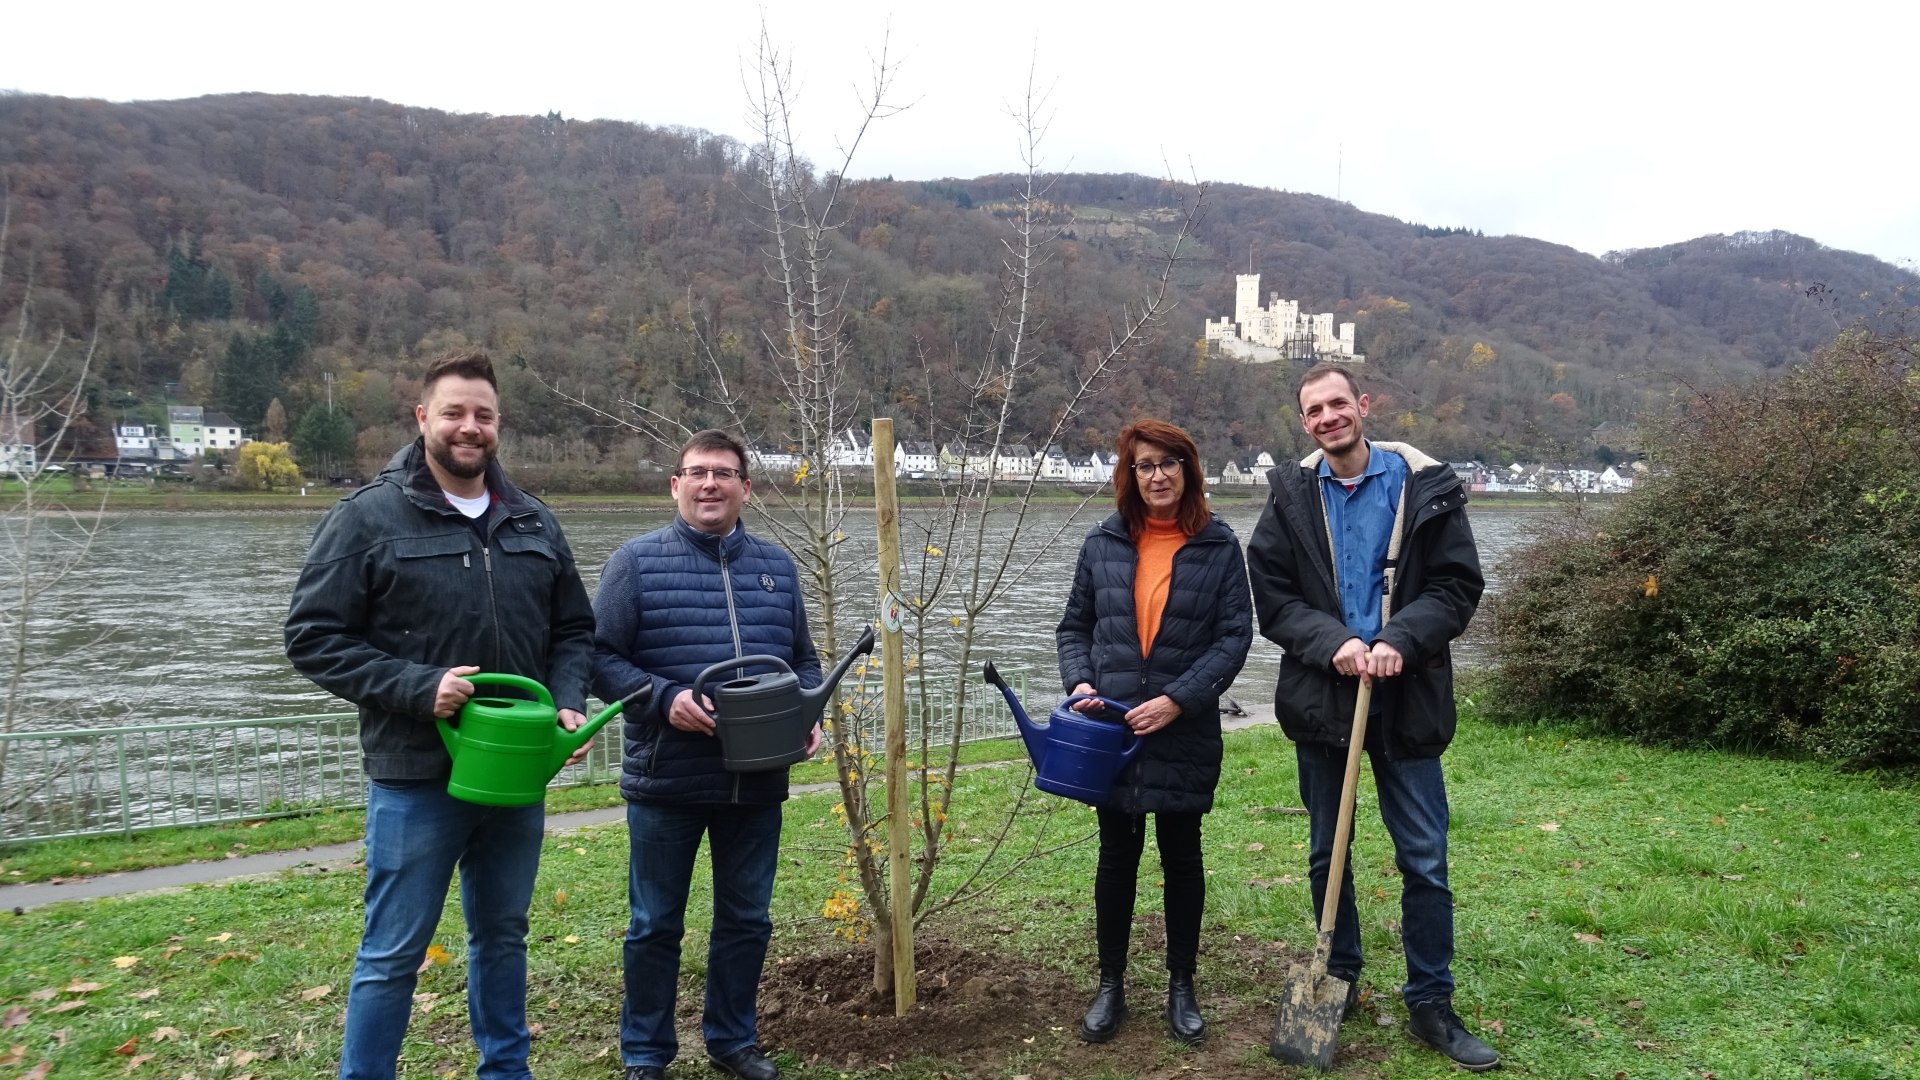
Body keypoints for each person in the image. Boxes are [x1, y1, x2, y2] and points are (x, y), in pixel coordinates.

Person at [285, 350, 597, 1080]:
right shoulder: (365, 518)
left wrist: (567, 700)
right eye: (454, 412)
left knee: (503, 936)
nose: (469, 427)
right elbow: (313, 637)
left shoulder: (533, 519)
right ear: (423, 417)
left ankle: (506, 1072)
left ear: (498, 424)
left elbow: (574, 631)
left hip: (513, 777)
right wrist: (416, 686)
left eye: (483, 415)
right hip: (414, 776)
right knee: (393, 952)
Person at [1245, 362, 1498, 1071]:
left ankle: (1431, 1003)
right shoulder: (1291, 496)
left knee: (1424, 858)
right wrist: (1337, 643)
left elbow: (1456, 586)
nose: (1328, 418)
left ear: (1363, 405)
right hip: (1324, 700)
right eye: (1314, 411)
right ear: (1305, 423)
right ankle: (1340, 975)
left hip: (1407, 701)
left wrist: (1398, 640)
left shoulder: (1424, 486)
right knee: (1327, 853)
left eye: (1338, 404)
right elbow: (1274, 596)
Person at [591, 429, 822, 1080]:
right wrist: (663, 699)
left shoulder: (777, 568)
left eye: (723, 473)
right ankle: (645, 1052)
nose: (710, 484)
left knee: (747, 920)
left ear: (746, 488)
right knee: (654, 924)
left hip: (756, 781)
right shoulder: (635, 563)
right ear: (676, 486)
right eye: (697, 472)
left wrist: (807, 712)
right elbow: (597, 657)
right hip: (667, 778)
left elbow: (804, 661)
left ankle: (732, 1040)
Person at [1055, 419, 1253, 1046]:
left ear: (1188, 470)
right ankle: (1110, 983)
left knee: (1182, 856)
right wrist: (1080, 683)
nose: (1158, 475)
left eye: (1169, 463)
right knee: (1115, 857)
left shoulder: (1219, 546)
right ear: (1130, 474)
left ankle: (1181, 985)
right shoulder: (1102, 543)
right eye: (1145, 465)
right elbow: (1074, 628)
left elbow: (1234, 639)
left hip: (1182, 729)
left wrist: (1178, 701)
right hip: (1112, 729)